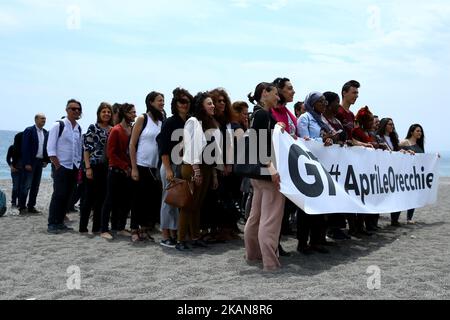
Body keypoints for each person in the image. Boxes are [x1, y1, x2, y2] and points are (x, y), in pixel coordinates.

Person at [244, 82, 286, 271]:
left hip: (257, 173)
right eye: (275, 93)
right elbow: (259, 144)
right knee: (270, 218)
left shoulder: (258, 114)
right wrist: (271, 167)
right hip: (266, 171)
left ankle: (253, 255)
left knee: (256, 216)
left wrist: (276, 126)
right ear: (264, 93)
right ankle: (270, 261)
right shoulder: (262, 114)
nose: (278, 97)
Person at [178, 92, 221, 251]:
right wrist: (196, 170)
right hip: (193, 167)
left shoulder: (209, 123)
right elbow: (190, 147)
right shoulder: (193, 121)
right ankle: (181, 239)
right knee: (187, 204)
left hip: (207, 167)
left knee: (197, 205)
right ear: (201, 106)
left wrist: (214, 173)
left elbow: (212, 151)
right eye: (209, 103)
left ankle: (195, 237)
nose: (213, 106)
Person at [297, 92, 333, 254]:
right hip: (309, 167)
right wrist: (321, 141)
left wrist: (331, 139)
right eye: (320, 101)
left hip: (324, 166)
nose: (324, 104)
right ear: (312, 103)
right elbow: (304, 140)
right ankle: (302, 242)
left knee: (321, 206)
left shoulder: (323, 119)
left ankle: (317, 240)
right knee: (306, 208)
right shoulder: (304, 118)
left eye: (325, 101)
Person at [158, 88, 193, 248]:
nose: (185, 104)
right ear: (175, 104)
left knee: (179, 199)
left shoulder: (189, 122)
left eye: (187, 101)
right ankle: (165, 235)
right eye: (181, 101)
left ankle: (174, 233)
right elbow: (163, 148)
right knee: (168, 200)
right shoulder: (170, 122)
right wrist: (169, 170)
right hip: (170, 164)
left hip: (183, 165)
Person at [129, 92, 165, 242]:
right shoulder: (142, 119)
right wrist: (134, 168)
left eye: (163, 101)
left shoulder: (161, 121)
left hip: (154, 167)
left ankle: (144, 229)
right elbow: (132, 144)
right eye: (159, 101)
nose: (162, 103)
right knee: (138, 199)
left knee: (150, 200)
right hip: (141, 164)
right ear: (151, 102)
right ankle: (134, 230)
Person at [100, 103, 136, 240]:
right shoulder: (116, 130)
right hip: (115, 170)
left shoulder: (132, 129)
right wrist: (125, 166)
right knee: (109, 200)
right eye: (132, 112)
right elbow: (110, 153)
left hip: (127, 171)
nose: (134, 115)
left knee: (125, 201)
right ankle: (104, 229)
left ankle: (120, 227)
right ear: (125, 113)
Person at [47, 99, 83, 234]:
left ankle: (60, 221)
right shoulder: (58, 125)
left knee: (68, 196)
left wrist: (79, 165)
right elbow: (50, 148)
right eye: (73, 109)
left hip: (73, 167)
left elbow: (79, 148)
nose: (76, 111)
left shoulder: (78, 128)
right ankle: (52, 223)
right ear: (67, 110)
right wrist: (57, 165)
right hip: (61, 167)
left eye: (78, 109)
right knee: (58, 195)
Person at [272, 77, 298, 256]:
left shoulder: (288, 112)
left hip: (290, 164)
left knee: (286, 208)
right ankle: (272, 243)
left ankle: (276, 242)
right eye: (289, 88)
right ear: (279, 90)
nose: (293, 91)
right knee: (275, 209)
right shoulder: (273, 112)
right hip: (278, 164)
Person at [79, 103, 113, 234]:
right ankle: (83, 227)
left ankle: (97, 227)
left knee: (101, 198)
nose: (106, 114)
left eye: (108, 112)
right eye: (103, 111)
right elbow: (86, 148)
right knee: (88, 198)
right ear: (99, 113)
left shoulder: (112, 129)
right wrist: (87, 168)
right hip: (93, 165)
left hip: (106, 167)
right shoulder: (93, 127)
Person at [19, 114, 49, 215]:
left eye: (45, 119)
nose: (44, 121)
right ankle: (22, 207)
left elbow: (46, 148)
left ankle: (31, 206)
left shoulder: (45, 132)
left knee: (36, 186)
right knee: (26, 185)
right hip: (31, 162)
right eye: (42, 119)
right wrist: (27, 162)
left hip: (40, 162)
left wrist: (46, 160)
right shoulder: (29, 130)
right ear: (36, 120)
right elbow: (25, 147)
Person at [398, 124, 426, 224]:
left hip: (415, 175)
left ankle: (409, 218)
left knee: (413, 196)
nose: (420, 133)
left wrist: (435, 157)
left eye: (420, 131)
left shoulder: (419, 145)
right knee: (401, 196)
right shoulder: (405, 142)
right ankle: (394, 220)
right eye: (417, 131)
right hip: (404, 174)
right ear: (411, 132)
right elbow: (395, 151)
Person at [6, 132, 23, 208]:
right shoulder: (12, 147)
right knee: (16, 186)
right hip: (15, 170)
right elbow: (8, 158)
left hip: (23, 170)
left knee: (21, 187)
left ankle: (20, 203)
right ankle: (13, 202)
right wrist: (11, 167)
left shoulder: (25, 148)